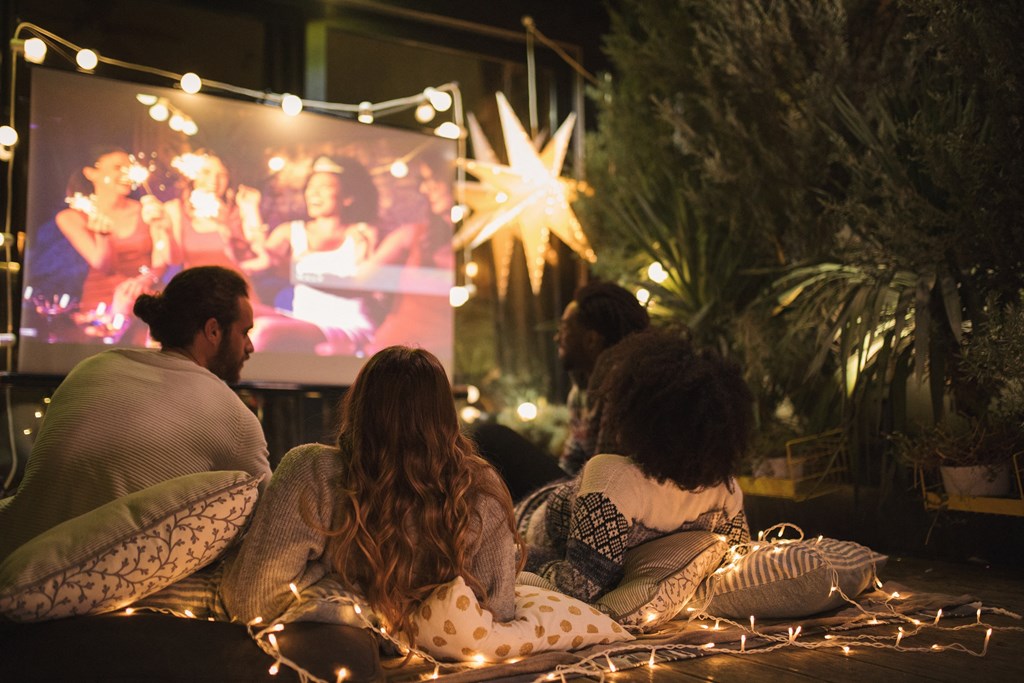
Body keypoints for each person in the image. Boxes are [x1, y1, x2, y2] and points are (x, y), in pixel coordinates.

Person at [220, 346, 520, 637]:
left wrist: (330, 583)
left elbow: (252, 602)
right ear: (445, 415)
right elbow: (499, 615)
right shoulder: (479, 487)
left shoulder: (313, 471)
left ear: (359, 404)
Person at [0, 266, 271, 561]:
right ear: (213, 330)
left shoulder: (92, 367)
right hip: (92, 583)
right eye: (244, 332)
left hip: (9, 549)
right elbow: (274, 521)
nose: (250, 346)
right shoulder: (232, 416)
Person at [517, 326, 753, 603]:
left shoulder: (615, 479)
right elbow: (740, 562)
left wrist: (519, 555)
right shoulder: (725, 490)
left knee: (491, 437)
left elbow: (579, 588)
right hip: (547, 503)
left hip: (524, 522)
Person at [472, 280, 651, 500]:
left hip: (600, 496)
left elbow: (609, 474)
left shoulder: (622, 385)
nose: (557, 337)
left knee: (490, 437)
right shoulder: (581, 388)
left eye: (564, 328)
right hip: (577, 485)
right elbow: (572, 461)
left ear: (591, 340)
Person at [240, 154, 387, 356]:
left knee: (264, 331)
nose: (314, 193)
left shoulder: (364, 234)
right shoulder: (290, 231)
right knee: (238, 313)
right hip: (303, 320)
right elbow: (261, 260)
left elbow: (370, 288)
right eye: (311, 186)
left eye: (324, 187)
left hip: (348, 326)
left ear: (347, 197)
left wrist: (295, 272)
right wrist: (249, 209)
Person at [56, 146, 172, 343]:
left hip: (146, 295)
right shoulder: (71, 217)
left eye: (129, 168)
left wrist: (144, 280)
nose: (126, 174)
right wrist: (103, 236)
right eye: (117, 167)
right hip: (101, 302)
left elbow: (163, 258)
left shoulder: (146, 209)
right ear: (91, 173)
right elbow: (105, 266)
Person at [156, 150, 262, 273]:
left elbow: (261, 255)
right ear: (192, 175)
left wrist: (251, 209)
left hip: (234, 285)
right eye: (206, 172)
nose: (214, 180)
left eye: (222, 174)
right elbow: (174, 260)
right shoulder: (175, 209)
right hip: (197, 286)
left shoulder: (238, 210)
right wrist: (166, 231)